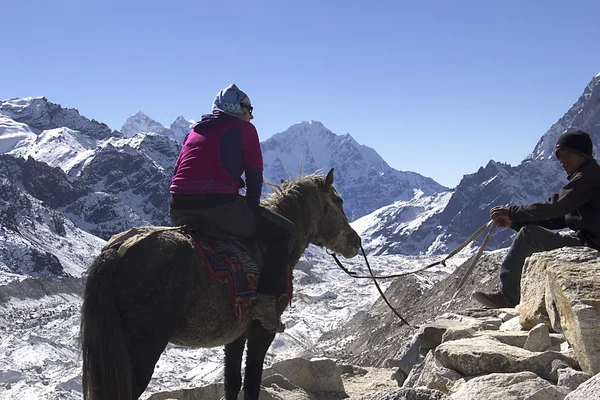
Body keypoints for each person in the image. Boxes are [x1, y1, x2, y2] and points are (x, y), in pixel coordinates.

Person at [169, 83, 296, 332]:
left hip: (178, 207)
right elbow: (254, 175)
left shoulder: (195, 129)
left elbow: (177, 170)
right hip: (218, 205)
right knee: (284, 233)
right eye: (249, 108)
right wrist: (251, 207)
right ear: (237, 108)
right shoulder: (245, 130)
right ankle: (265, 302)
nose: (252, 114)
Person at [473, 129, 600, 308]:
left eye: (567, 154)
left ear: (582, 154)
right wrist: (515, 222)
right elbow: (562, 218)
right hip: (590, 241)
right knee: (529, 233)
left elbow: (556, 207)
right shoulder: (588, 176)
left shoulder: (589, 177)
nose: (562, 161)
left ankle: (508, 296)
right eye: (559, 156)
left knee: (529, 235)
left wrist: (513, 212)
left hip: (592, 245)